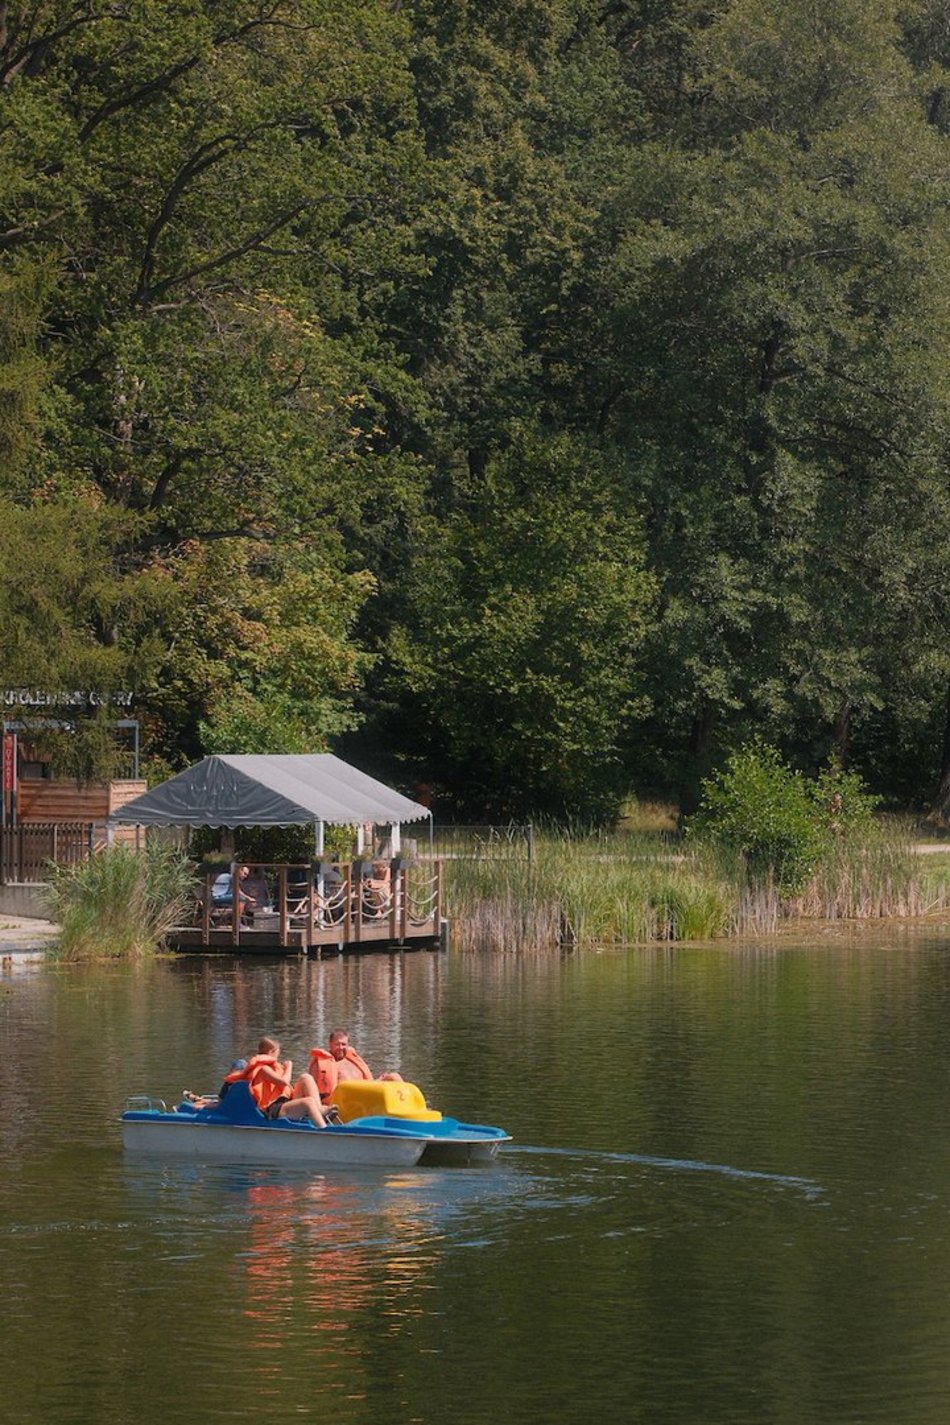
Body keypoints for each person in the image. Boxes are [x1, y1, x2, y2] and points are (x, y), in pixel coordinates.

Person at [225, 1036, 328, 1127]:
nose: (278, 1056)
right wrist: (289, 1067)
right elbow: (284, 1082)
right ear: (271, 1052)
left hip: (285, 1103)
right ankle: (324, 1132)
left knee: (306, 1077)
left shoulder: (273, 1067)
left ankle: (319, 1110)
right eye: (278, 1052)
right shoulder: (263, 1069)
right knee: (309, 1102)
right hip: (273, 1109)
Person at [308, 1028, 402, 1103]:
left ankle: (405, 1110)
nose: (340, 1048)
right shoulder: (320, 1064)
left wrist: (380, 1080)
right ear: (330, 1044)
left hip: (365, 1094)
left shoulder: (352, 1060)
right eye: (337, 1044)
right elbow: (313, 1092)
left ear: (348, 1045)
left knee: (394, 1077)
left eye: (343, 1044)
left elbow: (367, 1082)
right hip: (344, 1102)